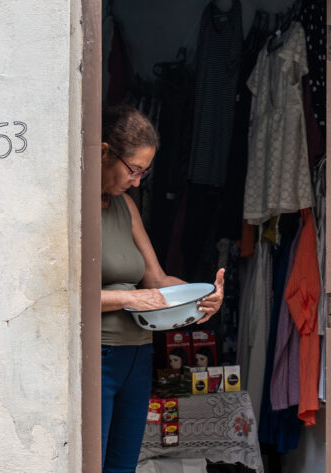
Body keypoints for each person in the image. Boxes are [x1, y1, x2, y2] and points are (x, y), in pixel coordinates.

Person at [100, 105, 225, 473]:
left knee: (123, 467)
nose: (138, 181)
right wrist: (128, 297)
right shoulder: (71, 207)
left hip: (137, 355)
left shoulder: (126, 205)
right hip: (97, 356)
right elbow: (63, 298)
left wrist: (201, 297)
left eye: (145, 172)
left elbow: (155, 280)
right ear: (104, 152)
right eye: (133, 169)